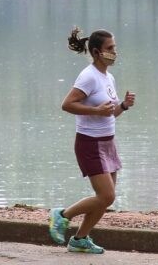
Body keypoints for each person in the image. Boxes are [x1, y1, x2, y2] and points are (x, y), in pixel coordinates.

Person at [49, 27, 137, 254]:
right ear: (97, 52)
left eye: (115, 48)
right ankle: (62, 215)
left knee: (104, 200)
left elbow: (110, 113)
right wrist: (96, 111)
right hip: (90, 144)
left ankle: (80, 239)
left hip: (108, 142)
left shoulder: (108, 77)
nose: (114, 52)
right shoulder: (88, 76)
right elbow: (67, 104)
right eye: (110, 49)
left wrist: (123, 106)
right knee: (107, 195)